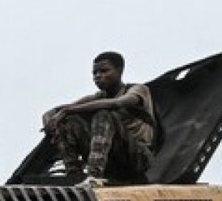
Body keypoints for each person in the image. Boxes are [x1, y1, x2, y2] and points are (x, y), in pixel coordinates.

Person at [41, 51, 156, 185]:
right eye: (95, 73)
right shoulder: (98, 97)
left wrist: (67, 110)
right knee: (68, 121)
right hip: (112, 160)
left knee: (103, 114)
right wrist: (51, 120)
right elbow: (56, 111)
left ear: (119, 70)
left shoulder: (138, 90)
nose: (98, 76)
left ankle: (94, 175)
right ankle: (73, 174)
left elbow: (117, 103)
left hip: (137, 158)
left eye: (104, 71)